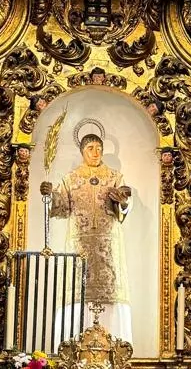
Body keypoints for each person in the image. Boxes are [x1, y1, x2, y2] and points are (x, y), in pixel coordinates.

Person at [41, 118, 133, 340]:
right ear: (82, 151)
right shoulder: (71, 178)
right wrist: (49, 194)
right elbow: (61, 208)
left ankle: (115, 346)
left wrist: (122, 201)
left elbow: (123, 210)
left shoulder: (114, 177)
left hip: (107, 246)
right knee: (76, 295)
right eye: (91, 148)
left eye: (99, 149)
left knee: (110, 294)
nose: (96, 152)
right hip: (79, 246)